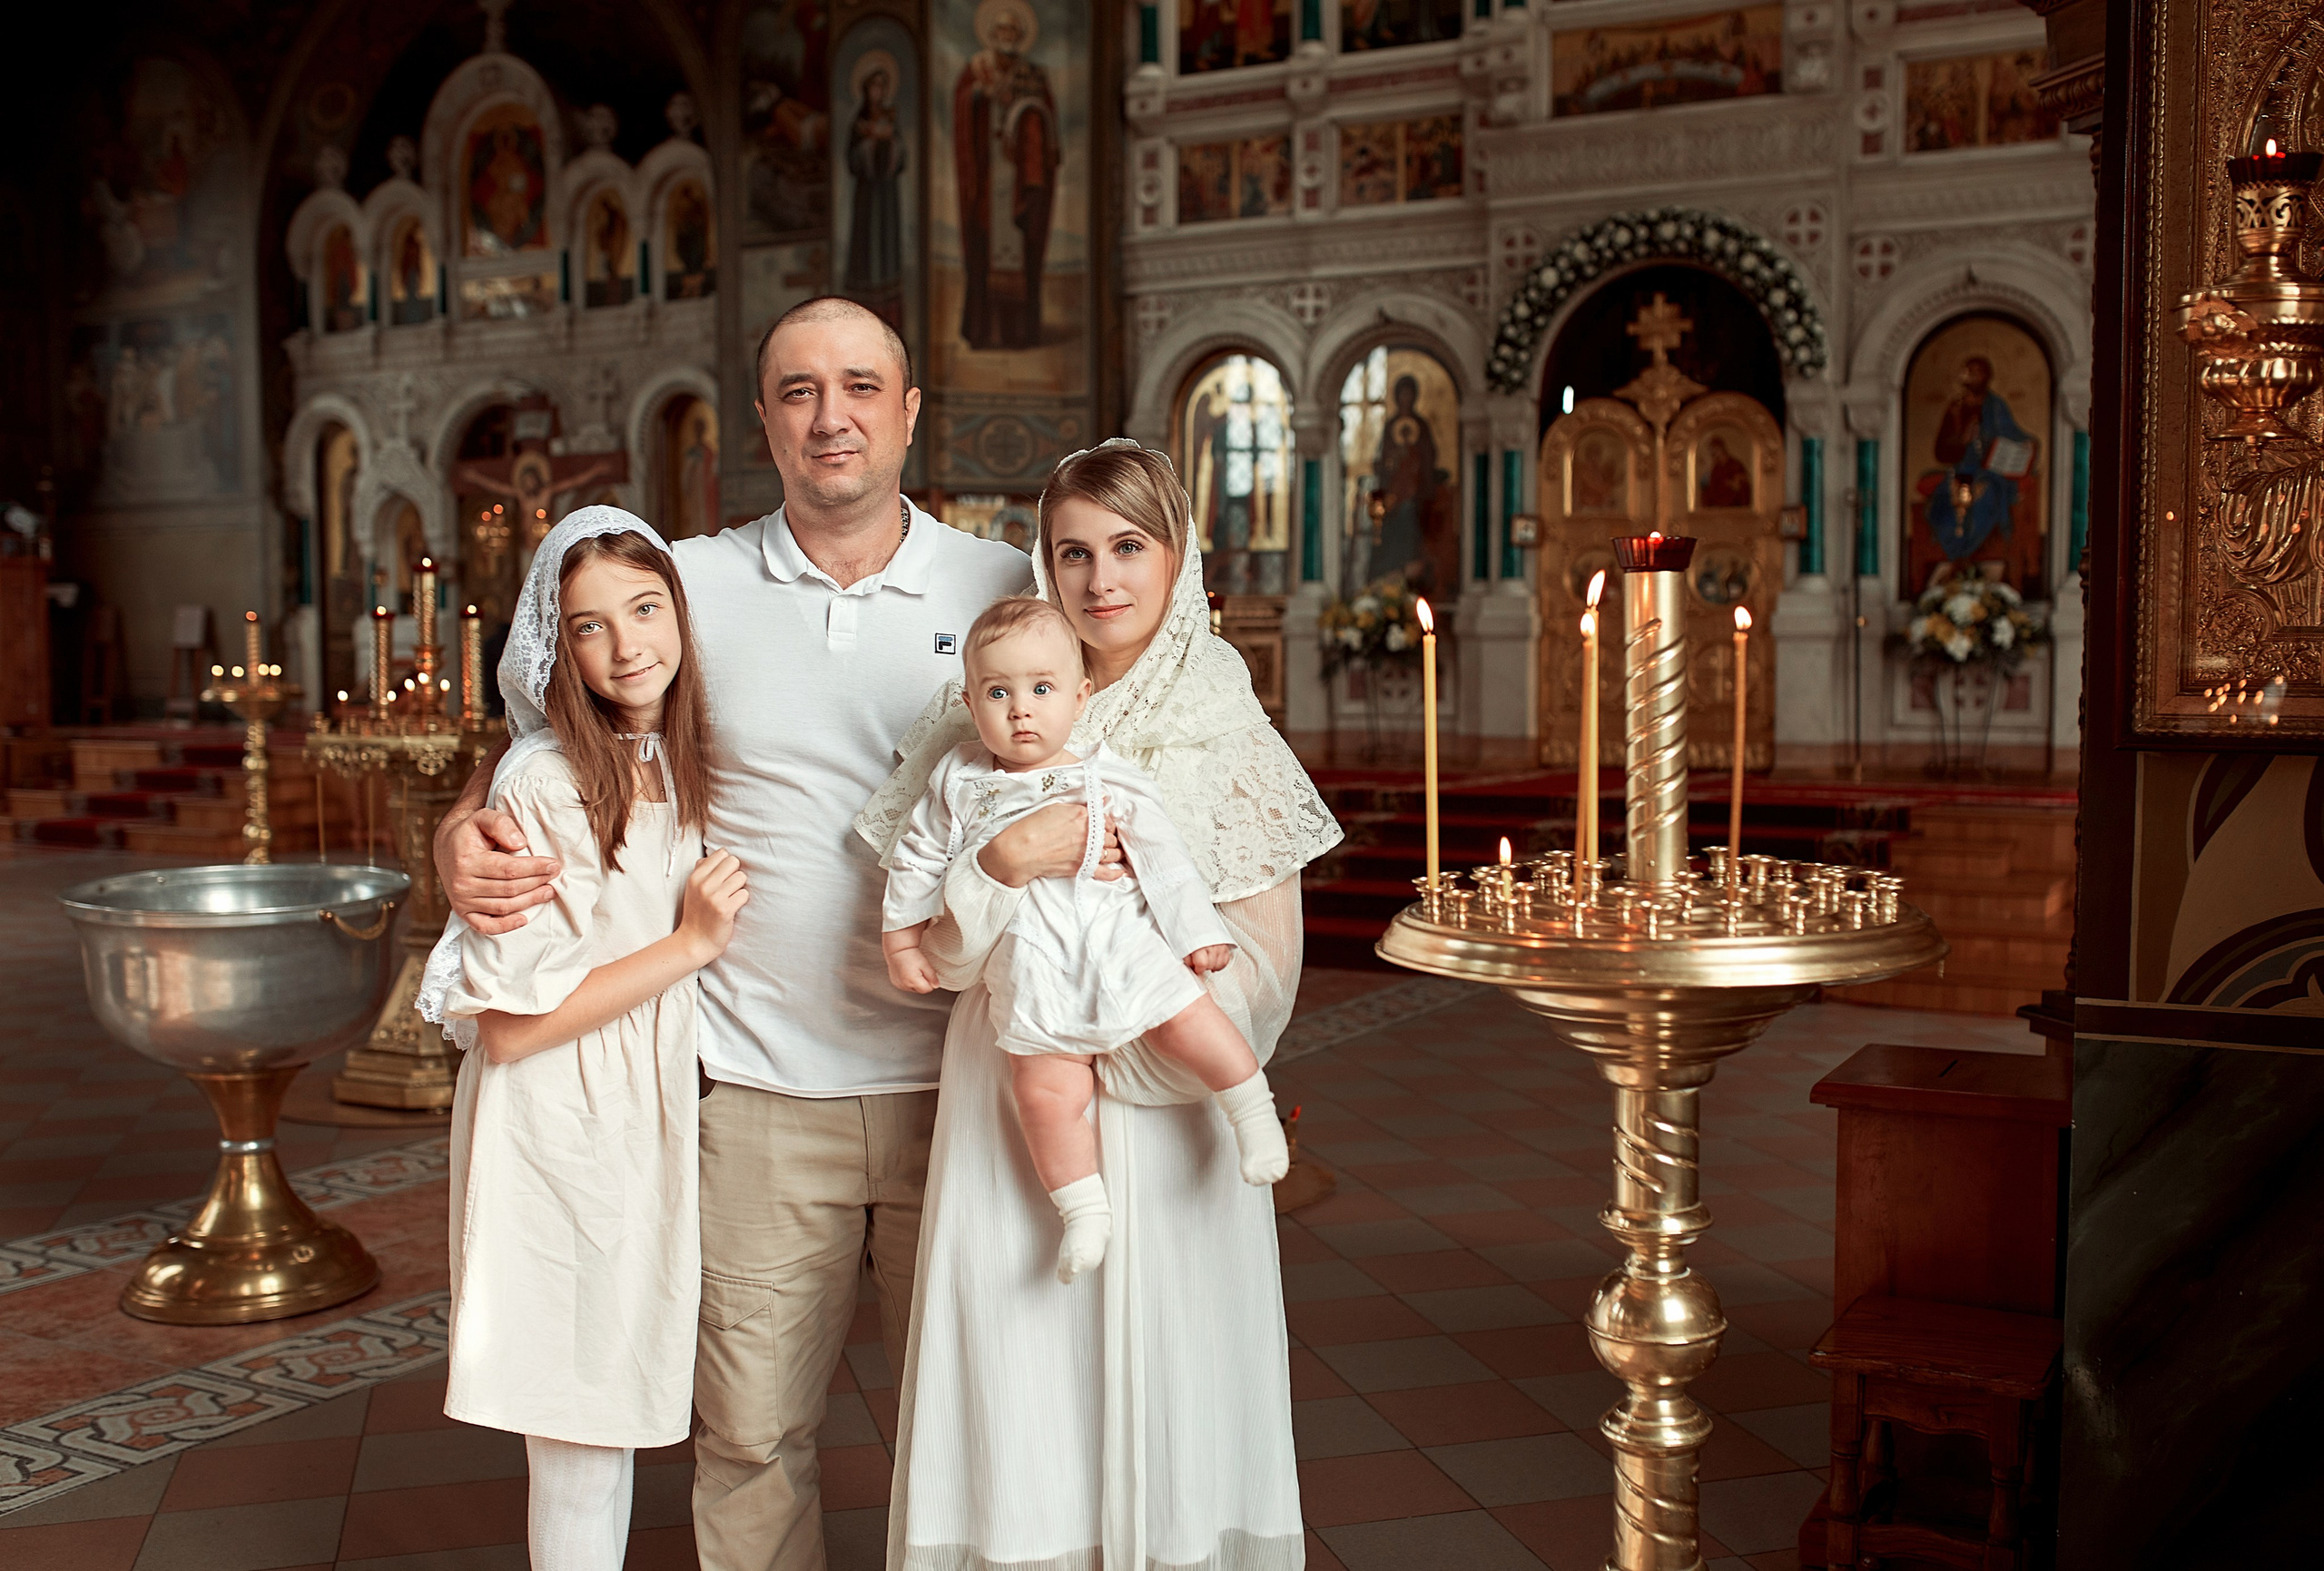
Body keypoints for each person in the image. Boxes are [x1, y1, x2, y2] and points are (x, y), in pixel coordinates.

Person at [432, 296, 1059, 1571]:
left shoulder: (1003, 584)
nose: (833, 415)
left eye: (862, 386)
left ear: (910, 409)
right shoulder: (688, 584)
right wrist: (461, 828)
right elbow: (560, 725)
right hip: (762, 1092)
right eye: (798, 390)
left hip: (975, 1080)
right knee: (754, 1436)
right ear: (761, 418)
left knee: (989, 1422)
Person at [855, 438, 1342, 1571]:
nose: (1100, 579)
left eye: (1129, 546)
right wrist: (1001, 868)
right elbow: (934, 954)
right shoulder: (983, 714)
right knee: (1021, 1374)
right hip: (1019, 1101)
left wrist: (1110, 1035)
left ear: (1179, 555)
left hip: (1165, 1119)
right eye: (1072, 551)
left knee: (1167, 1385)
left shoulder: (1224, 731)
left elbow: (1259, 985)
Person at [425, 508, 748, 1571]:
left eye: (645, 610)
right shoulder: (542, 782)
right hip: (556, 1114)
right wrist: (693, 944)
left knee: (612, 1393)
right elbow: (513, 1028)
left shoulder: (665, 756)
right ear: (551, 648)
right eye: (587, 628)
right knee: (578, 1421)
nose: (626, 647)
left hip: (632, 1102)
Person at [879, 595, 1287, 1282]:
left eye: (1041, 689)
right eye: (998, 692)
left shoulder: (1107, 774)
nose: (1021, 709)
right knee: (1043, 1093)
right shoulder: (959, 778)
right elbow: (918, 856)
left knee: (1193, 1019)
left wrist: (1198, 935)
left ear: (1080, 694)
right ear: (970, 703)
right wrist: (901, 938)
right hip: (1032, 974)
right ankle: (1082, 1209)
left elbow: (1165, 861)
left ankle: (1253, 1111)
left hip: (1123, 948)